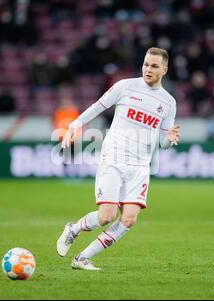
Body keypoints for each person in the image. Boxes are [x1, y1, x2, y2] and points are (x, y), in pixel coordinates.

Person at [56, 47, 180, 270]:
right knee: (106, 216)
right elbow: (97, 107)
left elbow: (163, 142)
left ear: (165, 69)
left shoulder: (168, 103)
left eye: (154, 66)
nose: (148, 69)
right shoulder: (125, 86)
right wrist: (74, 125)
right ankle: (72, 230)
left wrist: (169, 138)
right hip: (113, 158)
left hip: (140, 165)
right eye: (146, 64)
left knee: (129, 219)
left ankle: (82, 258)